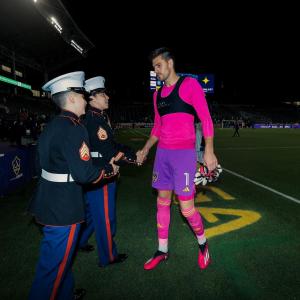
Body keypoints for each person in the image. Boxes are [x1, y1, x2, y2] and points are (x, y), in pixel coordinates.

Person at [28, 71, 119, 300]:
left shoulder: (53, 125)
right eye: (82, 95)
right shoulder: (74, 128)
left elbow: (39, 165)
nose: (85, 100)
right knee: (52, 269)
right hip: (63, 208)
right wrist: (109, 170)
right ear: (70, 98)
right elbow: (84, 174)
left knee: (62, 259)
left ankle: (65, 294)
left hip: (47, 200)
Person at [138, 47, 218, 270]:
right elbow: (157, 126)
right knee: (161, 201)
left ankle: (203, 244)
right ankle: (162, 249)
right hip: (162, 155)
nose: (156, 71)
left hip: (184, 155)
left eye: (158, 66)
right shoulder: (157, 95)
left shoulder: (190, 85)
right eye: (153, 67)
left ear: (170, 63)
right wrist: (145, 149)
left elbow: (206, 118)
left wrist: (208, 149)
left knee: (186, 209)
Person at [78, 76, 142, 267]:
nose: (107, 96)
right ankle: (108, 257)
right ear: (92, 98)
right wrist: (133, 157)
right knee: (106, 218)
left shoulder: (99, 118)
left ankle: (80, 242)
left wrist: (130, 151)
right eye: (102, 94)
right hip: (102, 175)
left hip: (94, 175)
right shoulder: (94, 121)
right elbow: (108, 152)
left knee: (91, 214)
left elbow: (111, 144)